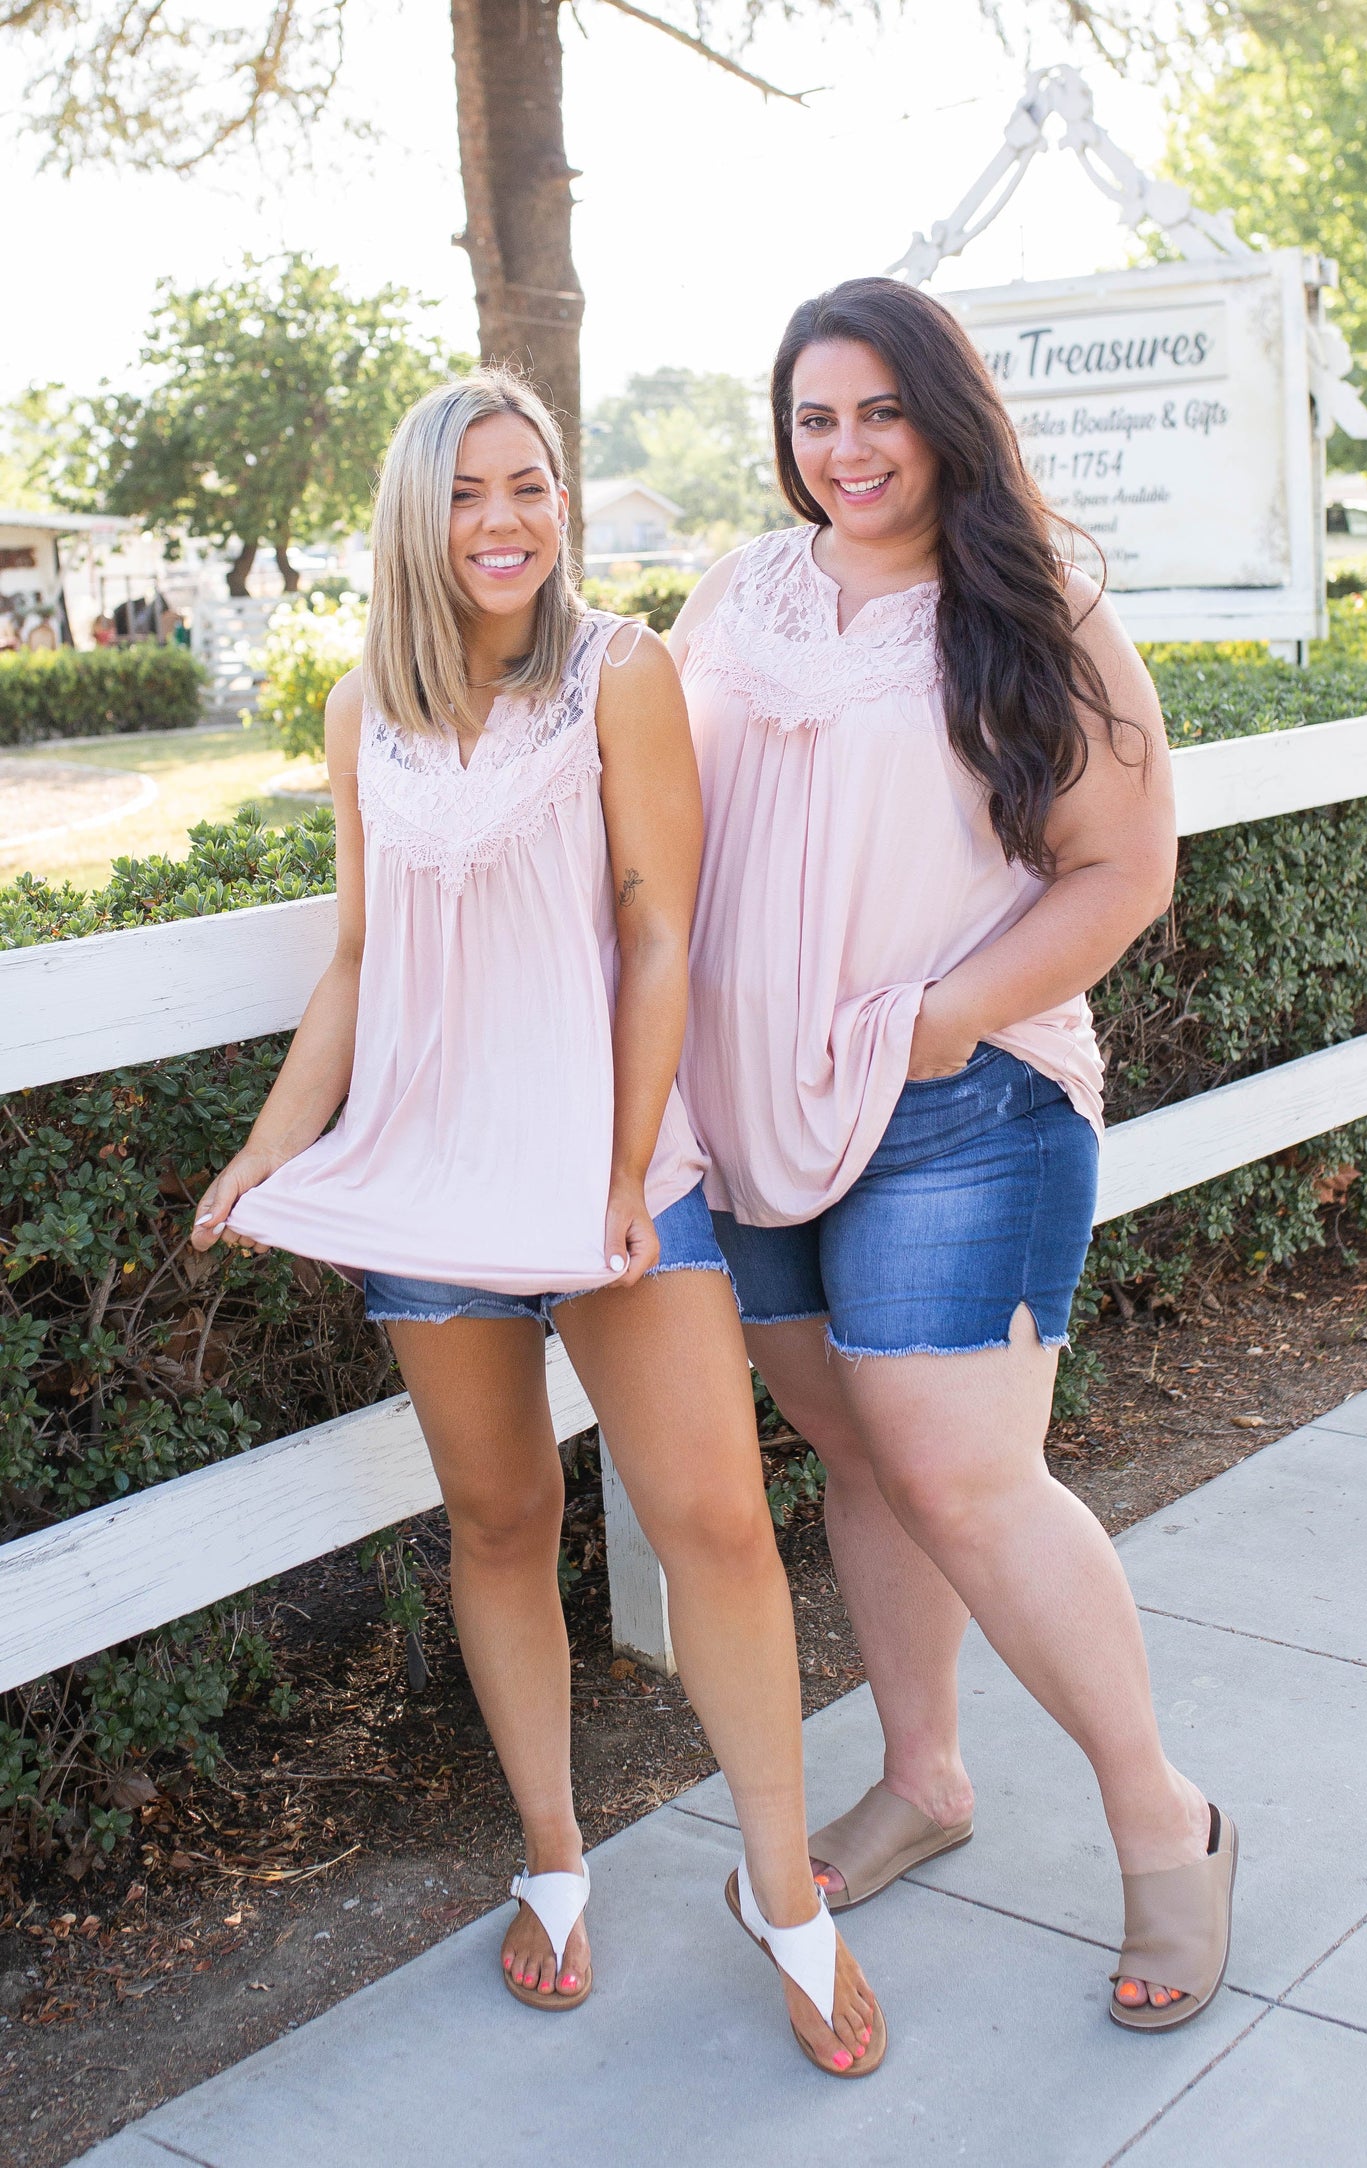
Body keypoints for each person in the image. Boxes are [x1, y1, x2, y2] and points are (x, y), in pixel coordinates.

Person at [191, 370, 884, 2076]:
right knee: (499, 1524)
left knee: (717, 1522)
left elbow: (658, 935)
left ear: (562, 501)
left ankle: (786, 1891)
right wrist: (269, 1152)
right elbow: (360, 959)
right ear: (413, 518)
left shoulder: (619, 675)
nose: (503, 521)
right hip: (426, 1181)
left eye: (532, 485)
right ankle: (554, 1862)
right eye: (467, 492)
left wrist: (620, 1160)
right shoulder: (367, 706)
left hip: (609, 1175)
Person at [671, 278, 1237, 2033]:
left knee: (959, 1467)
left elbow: (1119, 868)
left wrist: (930, 1017)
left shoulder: (1031, 600)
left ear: (942, 415)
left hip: (961, 1100)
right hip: (750, 1107)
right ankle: (923, 1776)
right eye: (812, 417)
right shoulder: (732, 595)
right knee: (850, 1441)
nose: (843, 449)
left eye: (877, 412)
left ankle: (1167, 1819)